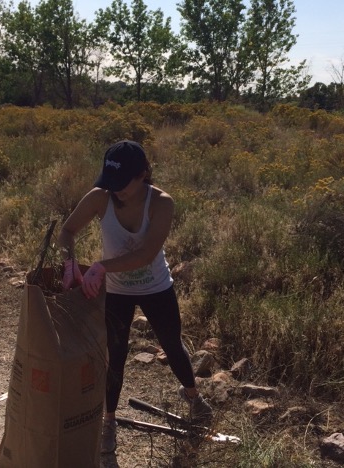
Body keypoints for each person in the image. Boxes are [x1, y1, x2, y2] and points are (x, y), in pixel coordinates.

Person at [58, 140, 212, 454]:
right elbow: (67, 231)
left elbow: (145, 254)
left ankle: (195, 397)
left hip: (156, 286)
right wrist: (69, 262)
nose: (116, 190)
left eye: (122, 183)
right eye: (110, 183)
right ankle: (109, 421)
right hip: (117, 292)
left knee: (172, 344)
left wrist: (100, 267)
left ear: (143, 174)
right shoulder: (100, 198)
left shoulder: (161, 203)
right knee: (115, 354)